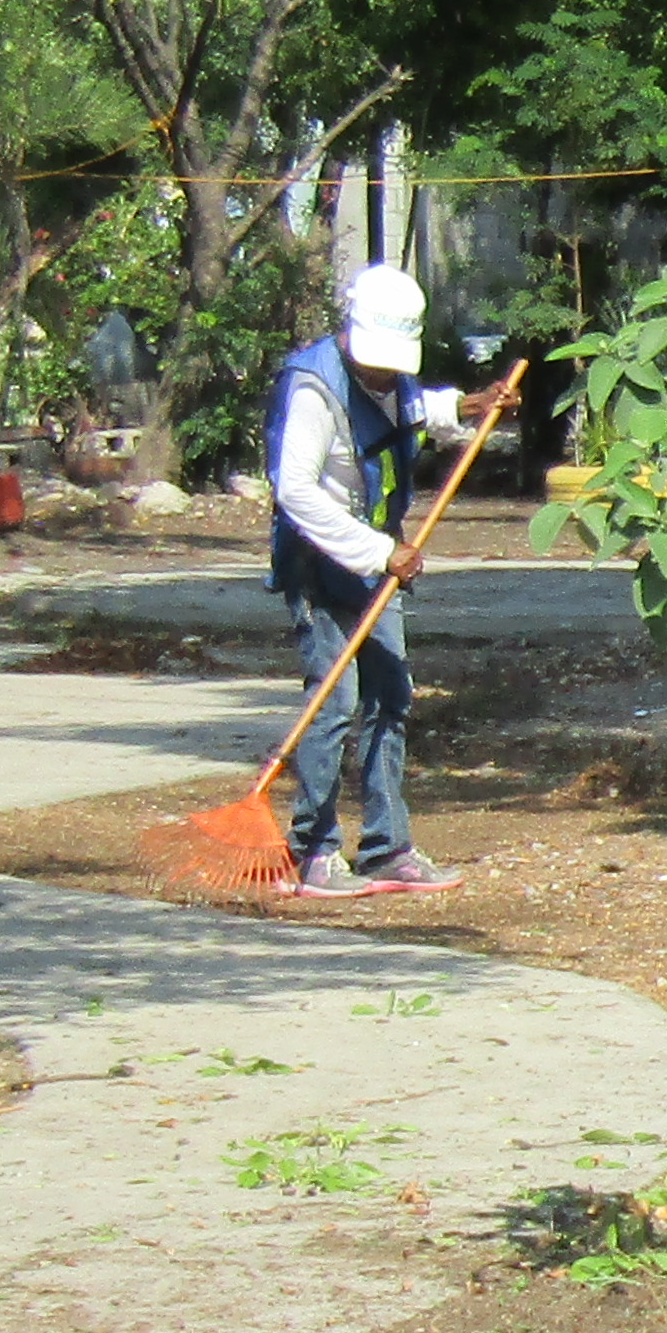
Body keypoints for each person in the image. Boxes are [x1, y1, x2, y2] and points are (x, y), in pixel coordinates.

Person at [265, 262, 481, 897]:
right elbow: (296, 491)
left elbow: (409, 411)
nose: (385, 371)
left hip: (376, 558)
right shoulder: (312, 389)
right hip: (322, 558)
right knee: (334, 702)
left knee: (391, 696)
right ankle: (314, 849)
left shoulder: (392, 377)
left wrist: (467, 407)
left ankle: (387, 847)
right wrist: (378, 551)